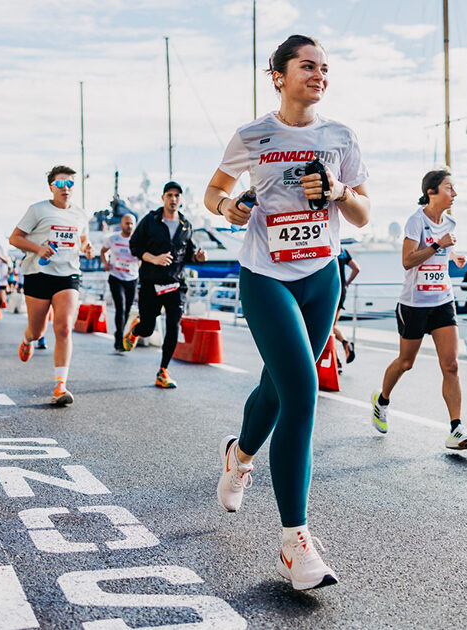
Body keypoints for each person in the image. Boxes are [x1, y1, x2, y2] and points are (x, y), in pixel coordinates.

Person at [203, 34, 369, 590]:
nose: (319, 75)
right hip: (267, 275)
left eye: (324, 68)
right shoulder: (254, 135)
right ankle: (295, 542)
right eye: (307, 66)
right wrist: (231, 206)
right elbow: (215, 192)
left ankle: (239, 454)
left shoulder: (340, 136)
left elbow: (364, 213)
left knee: (278, 387)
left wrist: (340, 191)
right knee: (301, 390)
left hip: (321, 277)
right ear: (277, 75)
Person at [370, 169, 467, 452]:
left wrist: (453, 256)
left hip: (443, 300)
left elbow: (442, 251)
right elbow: (408, 260)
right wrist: (436, 244)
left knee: (451, 365)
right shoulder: (416, 221)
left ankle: (456, 429)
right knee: (406, 363)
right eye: (449, 188)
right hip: (414, 304)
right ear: (432, 192)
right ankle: (382, 400)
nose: (454, 194)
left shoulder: (451, 222)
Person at [9, 165, 96, 406]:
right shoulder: (38, 210)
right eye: (60, 184)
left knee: (64, 329)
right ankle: (27, 340)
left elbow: (83, 239)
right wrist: (38, 249)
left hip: (68, 275)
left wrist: (87, 248)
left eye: (70, 184)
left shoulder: (80, 214)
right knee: (37, 331)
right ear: (51, 187)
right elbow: (14, 238)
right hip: (38, 273)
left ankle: (60, 385)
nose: (65, 188)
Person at [122, 181, 206, 388]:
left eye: (177, 195)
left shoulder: (186, 225)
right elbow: (134, 245)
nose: (173, 199)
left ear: (180, 199)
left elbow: (189, 254)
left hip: (176, 285)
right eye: (169, 195)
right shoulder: (150, 220)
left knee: (173, 327)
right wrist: (152, 258)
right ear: (163, 198)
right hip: (151, 282)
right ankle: (135, 330)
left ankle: (163, 371)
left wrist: (198, 257)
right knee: (148, 328)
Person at [100, 213, 140, 352]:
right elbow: (103, 251)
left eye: (131, 224)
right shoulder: (113, 238)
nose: (129, 226)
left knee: (127, 310)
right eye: (126, 223)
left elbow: (142, 256)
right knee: (121, 307)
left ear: (134, 226)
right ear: (121, 224)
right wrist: (105, 263)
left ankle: (120, 333)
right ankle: (118, 340)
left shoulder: (138, 240)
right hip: (116, 277)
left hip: (131, 278)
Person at [332, 247, 359, 367]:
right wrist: (347, 283)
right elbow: (356, 269)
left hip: (330, 291)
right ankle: (345, 346)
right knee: (331, 327)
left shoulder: (330, 249)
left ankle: (336, 360)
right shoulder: (342, 250)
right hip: (341, 290)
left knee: (329, 328)